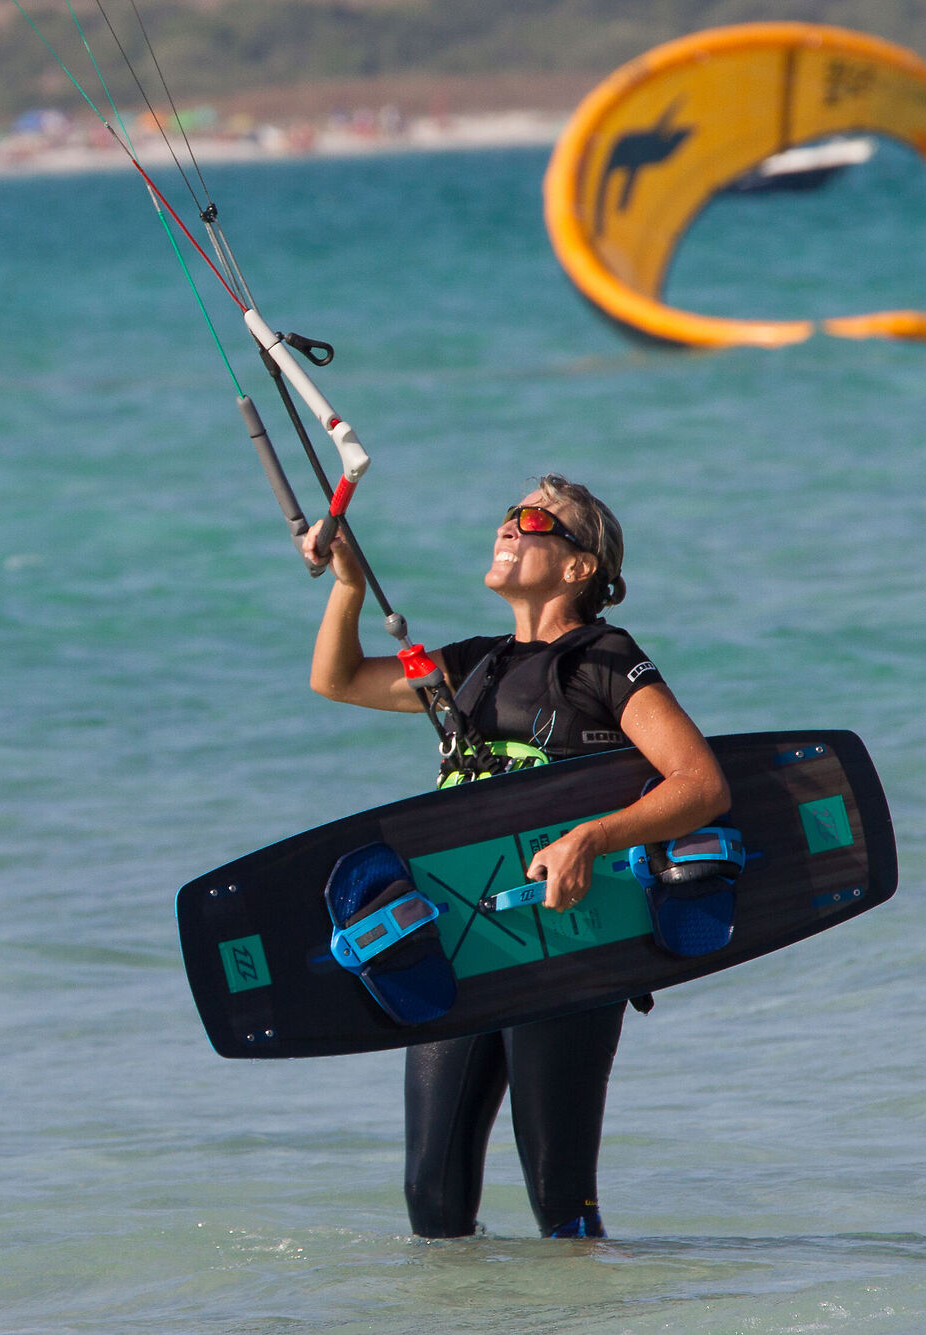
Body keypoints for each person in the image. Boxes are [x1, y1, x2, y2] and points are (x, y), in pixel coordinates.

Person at [301, 474, 729, 1240]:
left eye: (534, 519)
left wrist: (590, 837)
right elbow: (335, 679)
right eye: (507, 515)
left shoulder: (605, 660)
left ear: (580, 566)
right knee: (431, 1196)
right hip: (462, 938)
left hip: (572, 945)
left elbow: (700, 784)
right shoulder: (468, 664)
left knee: (558, 1196)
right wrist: (349, 586)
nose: (510, 526)